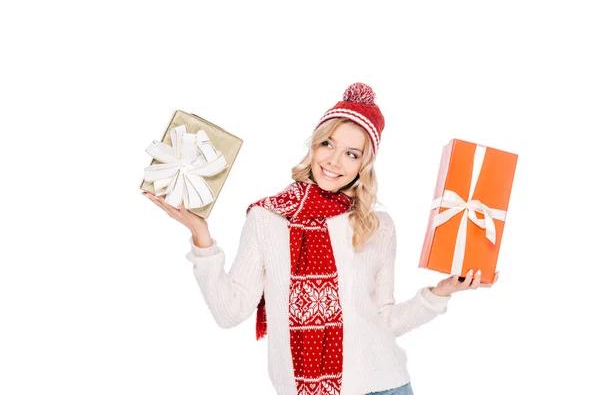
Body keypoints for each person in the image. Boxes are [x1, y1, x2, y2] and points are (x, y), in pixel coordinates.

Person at [142, 83, 499, 395]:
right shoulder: (267, 218)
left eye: (352, 153)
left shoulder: (378, 226)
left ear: (364, 164)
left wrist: (442, 292)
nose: (334, 161)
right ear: (313, 145)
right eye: (327, 144)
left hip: (386, 384)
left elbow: (385, 321)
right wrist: (201, 237)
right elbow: (230, 312)